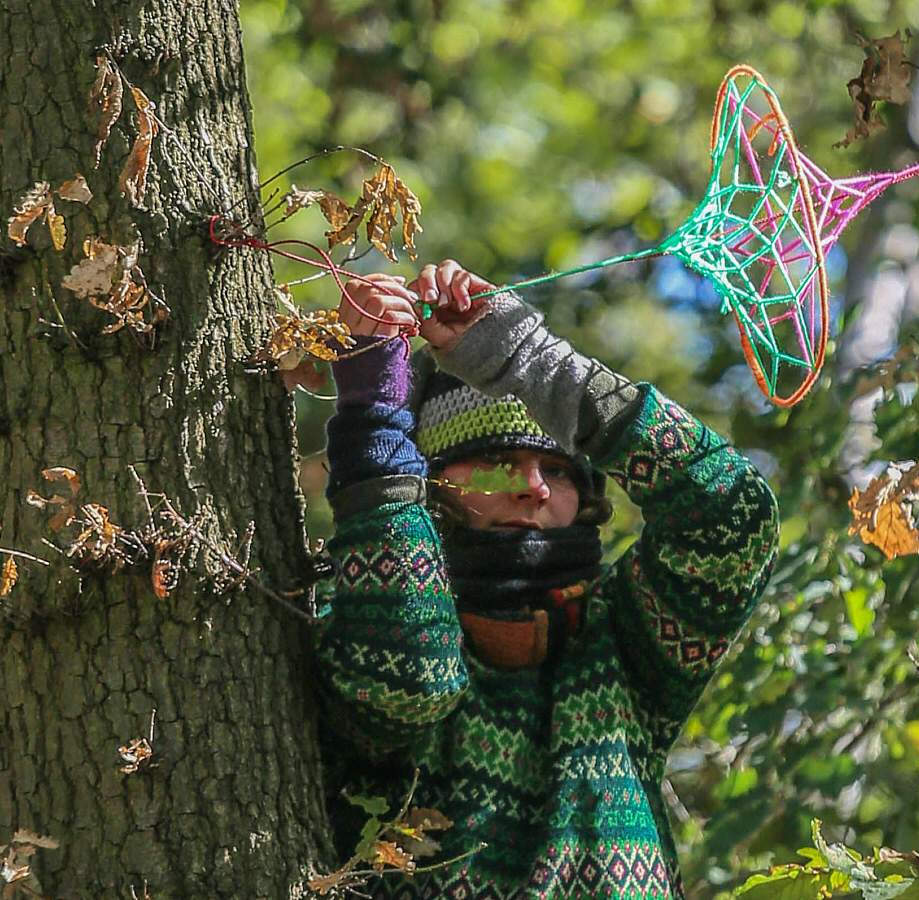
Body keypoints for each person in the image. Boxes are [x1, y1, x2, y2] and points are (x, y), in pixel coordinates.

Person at [314, 261, 780, 897]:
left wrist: (525, 355)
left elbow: (732, 514)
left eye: (558, 471)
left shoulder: (625, 641)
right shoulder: (355, 612)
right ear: (432, 482)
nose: (533, 488)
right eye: (495, 461)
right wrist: (373, 423)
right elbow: (410, 679)